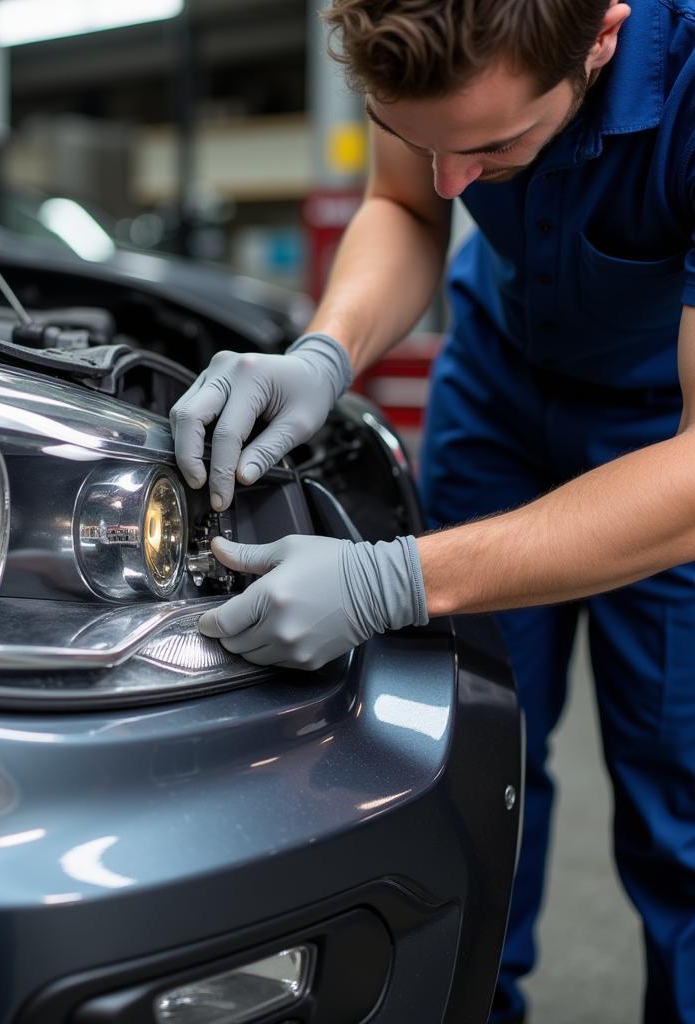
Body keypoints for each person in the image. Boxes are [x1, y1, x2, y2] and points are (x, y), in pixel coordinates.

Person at [168, 1, 695, 1021]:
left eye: (496, 144)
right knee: (464, 769)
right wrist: (323, 352)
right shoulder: (414, 33)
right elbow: (409, 209)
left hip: (663, 438)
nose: (457, 179)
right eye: (425, 139)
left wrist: (389, 579)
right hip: (496, 395)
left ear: (602, 38)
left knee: (682, 808)